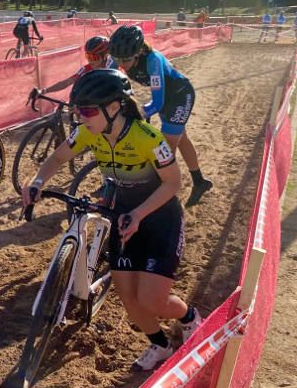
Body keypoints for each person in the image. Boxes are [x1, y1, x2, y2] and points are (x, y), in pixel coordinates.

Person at [25, 68, 201, 371]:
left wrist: (139, 214)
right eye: (78, 111)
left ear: (115, 107)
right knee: (128, 297)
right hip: (123, 215)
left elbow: (174, 182)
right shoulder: (88, 132)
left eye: (88, 111)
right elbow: (57, 158)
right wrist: (38, 182)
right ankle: (160, 344)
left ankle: (189, 318)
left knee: (151, 300)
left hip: (160, 217)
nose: (81, 117)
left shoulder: (147, 137)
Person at [108, 25, 213, 207]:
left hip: (179, 96)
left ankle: (162, 199)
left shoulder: (153, 60)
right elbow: (108, 79)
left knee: (165, 150)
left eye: (126, 59)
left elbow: (157, 103)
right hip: (166, 98)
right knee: (181, 139)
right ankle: (199, 182)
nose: (121, 64)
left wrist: (136, 114)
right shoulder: (119, 57)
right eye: (117, 59)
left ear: (138, 52)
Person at [35, 35, 115, 98]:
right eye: (88, 56)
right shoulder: (86, 69)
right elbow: (67, 82)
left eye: (93, 57)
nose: (89, 60)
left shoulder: (113, 69)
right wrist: (43, 91)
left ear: (105, 56)